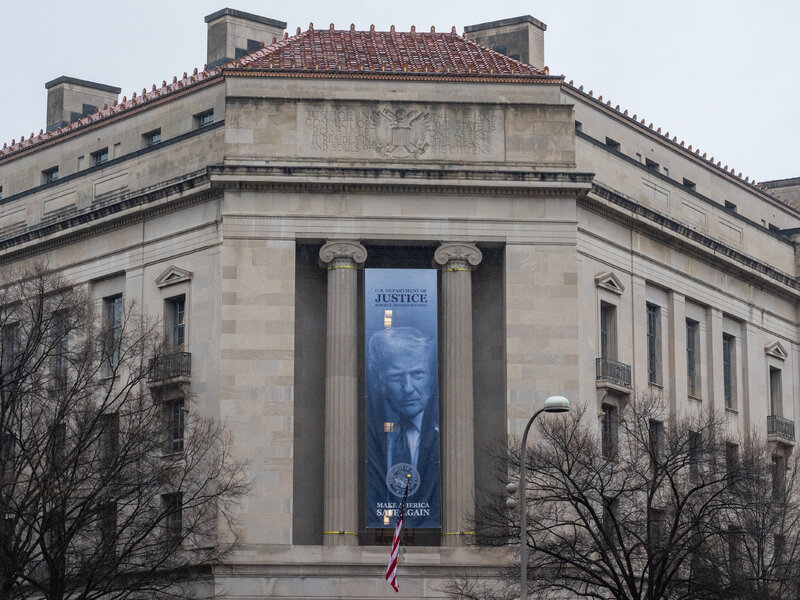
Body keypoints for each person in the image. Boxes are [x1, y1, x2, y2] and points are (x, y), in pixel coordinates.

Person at [366, 327, 440, 526]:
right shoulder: (368, 434)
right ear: (380, 381)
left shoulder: (442, 434)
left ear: (432, 377)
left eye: (417, 374)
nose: (407, 388)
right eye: (396, 377)